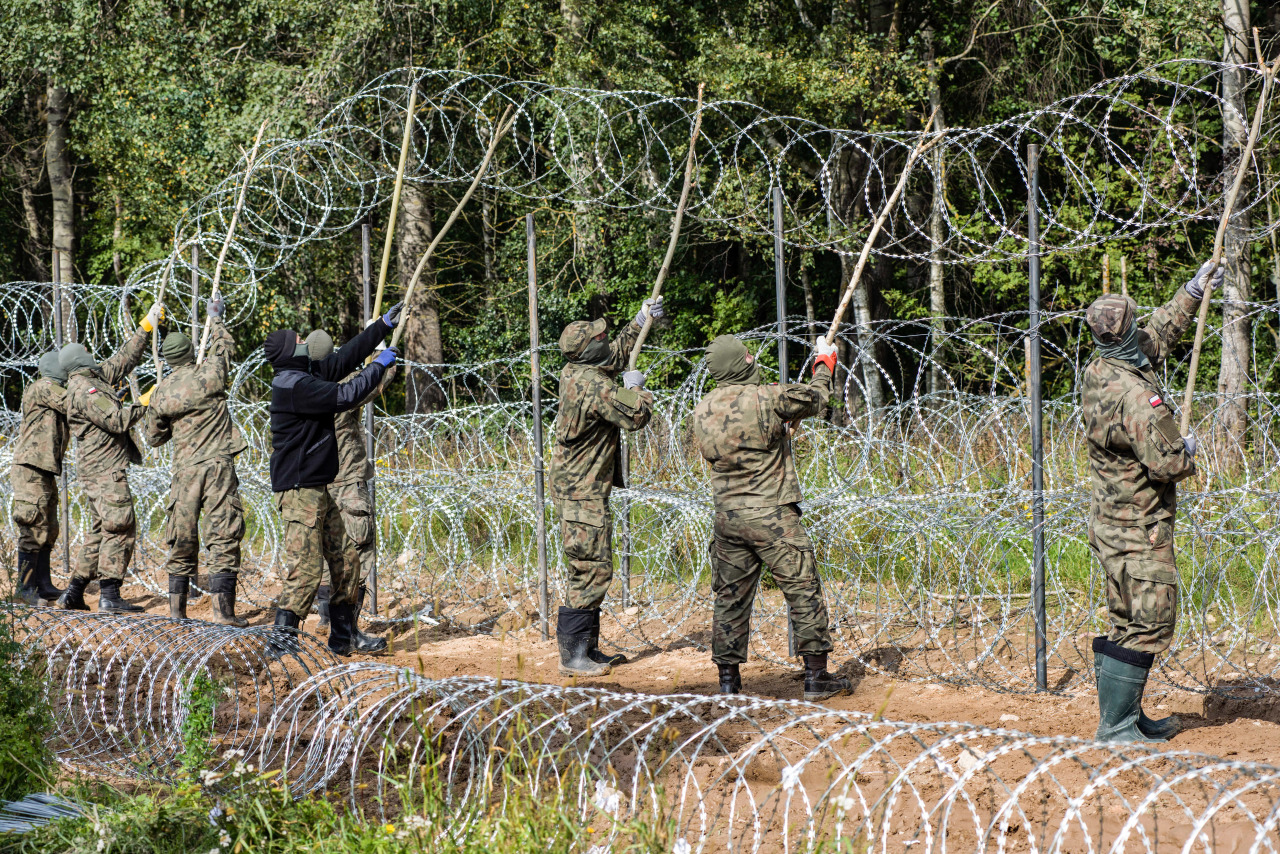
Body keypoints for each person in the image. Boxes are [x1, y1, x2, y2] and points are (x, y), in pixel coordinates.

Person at [1082, 260, 1219, 742]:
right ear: (1122, 336)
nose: (1142, 329)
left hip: (1111, 521)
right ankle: (1116, 727)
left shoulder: (1101, 368)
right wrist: (1186, 448)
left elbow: (1154, 336)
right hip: (1142, 525)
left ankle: (1124, 717)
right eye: (1133, 324)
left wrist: (1193, 290)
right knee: (1150, 620)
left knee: (1124, 618)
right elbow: (1168, 465)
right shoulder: (1136, 398)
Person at [691, 334, 852, 701]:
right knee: (802, 589)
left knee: (730, 599)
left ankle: (728, 682)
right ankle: (816, 677)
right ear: (742, 363)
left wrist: (778, 432)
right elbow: (817, 398)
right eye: (748, 355)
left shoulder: (702, 410)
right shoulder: (767, 396)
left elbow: (729, 451)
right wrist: (823, 363)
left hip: (728, 518)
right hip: (773, 515)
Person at [263, 304, 401, 656]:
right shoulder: (295, 386)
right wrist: (379, 365)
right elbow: (346, 394)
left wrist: (382, 326)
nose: (304, 341)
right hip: (299, 492)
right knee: (306, 570)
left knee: (346, 560)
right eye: (298, 340)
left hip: (318, 487)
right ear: (290, 352)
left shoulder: (305, 374)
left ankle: (344, 636)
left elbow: (342, 360)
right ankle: (281, 646)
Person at [549, 298, 662, 677]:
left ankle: (587, 649)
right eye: (599, 336)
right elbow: (636, 415)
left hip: (578, 488)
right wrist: (637, 389)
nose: (605, 338)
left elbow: (613, 354)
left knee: (591, 564)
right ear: (589, 350)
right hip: (582, 492)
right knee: (590, 568)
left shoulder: (575, 371)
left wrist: (641, 319)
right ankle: (573, 656)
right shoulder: (594, 387)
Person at [142, 295, 249, 625]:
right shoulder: (211, 375)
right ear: (191, 353)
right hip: (218, 466)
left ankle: (177, 611)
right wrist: (215, 317)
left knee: (182, 537)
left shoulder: (161, 392)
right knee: (222, 535)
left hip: (185, 471)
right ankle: (223, 612)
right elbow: (224, 348)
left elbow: (154, 436)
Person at [57, 303, 163, 612]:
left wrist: (146, 328)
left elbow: (123, 360)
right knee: (120, 526)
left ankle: (74, 592)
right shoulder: (84, 389)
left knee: (100, 529)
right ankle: (110, 595)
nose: (91, 352)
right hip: (105, 470)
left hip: (98, 469)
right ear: (79, 359)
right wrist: (145, 401)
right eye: (85, 351)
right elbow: (116, 419)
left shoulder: (93, 378)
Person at [304, 328, 390, 652]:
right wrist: (380, 346)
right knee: (357, 559)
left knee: (332, 558)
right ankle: (347, 632)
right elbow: (379, 380)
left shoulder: (303, 386)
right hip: (348, 483)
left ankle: (330, 621)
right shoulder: (341, 386)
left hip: (320, 485)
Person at [10, 351, 71, 604]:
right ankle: (24, 590)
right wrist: (98, 395)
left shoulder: (53, 390)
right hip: (30, 467)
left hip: (43, 468)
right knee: (32, 527)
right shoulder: (43, 387)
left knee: (48, 528)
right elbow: (73, 403)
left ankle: (42, 584)